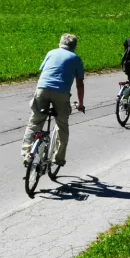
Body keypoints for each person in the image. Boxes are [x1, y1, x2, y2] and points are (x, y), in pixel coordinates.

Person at [21, 34, 85, 168]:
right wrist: (80, 103)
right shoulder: (76, 59)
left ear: (60, 43)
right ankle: (58, 158)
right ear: (75, 46)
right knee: (62, 124)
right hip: (61, 93)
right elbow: (79, 84)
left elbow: (44, 71)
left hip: (42, 89)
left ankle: (27, 153)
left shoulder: (51, 53)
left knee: (35, 121)